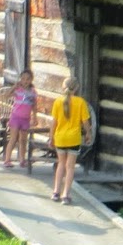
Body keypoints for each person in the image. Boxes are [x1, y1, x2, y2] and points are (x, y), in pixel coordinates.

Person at [49, 77, 92, 205]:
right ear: (77, 88)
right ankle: (65, 195)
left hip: (60, 137)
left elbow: (54, 122)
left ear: (63, 87)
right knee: (70, 167)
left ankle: (56, 191)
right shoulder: (80, 102)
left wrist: (51, 137)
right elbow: (85, 122)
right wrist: (88, 134)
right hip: (73, 138)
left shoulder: (58, 102)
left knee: (61, 164)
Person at [4, 69, 37, 170]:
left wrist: (35, 117)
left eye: (28, 79)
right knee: (13, 138)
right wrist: (14, 86)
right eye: (23, 79)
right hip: (16, 117)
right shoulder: (18, 90)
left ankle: (22, 159)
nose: (25, 81)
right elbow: (6, 95)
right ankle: (7, 159)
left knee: (23, 140)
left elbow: (34, 105)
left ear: (31, 80)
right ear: (20, 80)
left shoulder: (33, 92)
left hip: (26, 119)